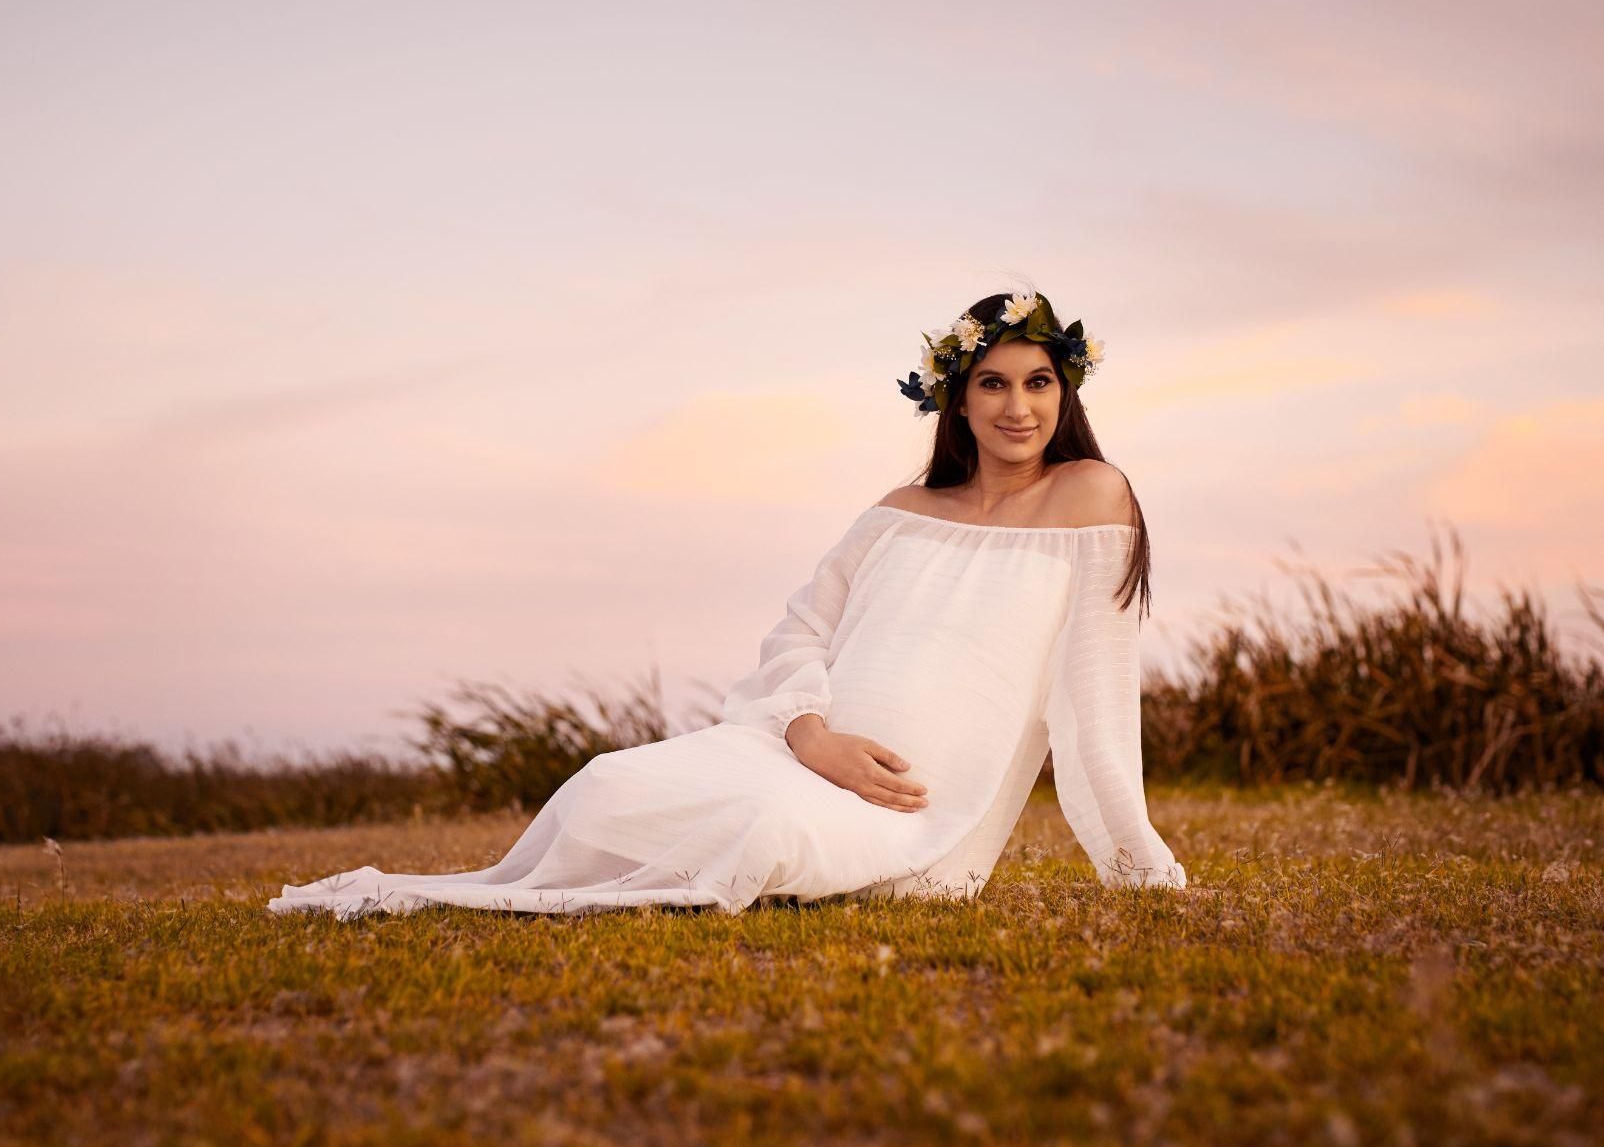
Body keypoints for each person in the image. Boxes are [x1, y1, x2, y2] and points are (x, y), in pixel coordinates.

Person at [267, 287, 1188, 920]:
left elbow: (1093, 701)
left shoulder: (1093, 495)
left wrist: (1137, 862)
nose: (1016, 406)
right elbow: (802, 629)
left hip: (915, 819)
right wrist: (810, 736)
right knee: (605, 787)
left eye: (1037, 382)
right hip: (797, 757)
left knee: (767, 832)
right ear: (957, 395)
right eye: (992, 381)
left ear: (1064, 390)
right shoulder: (900, 513)